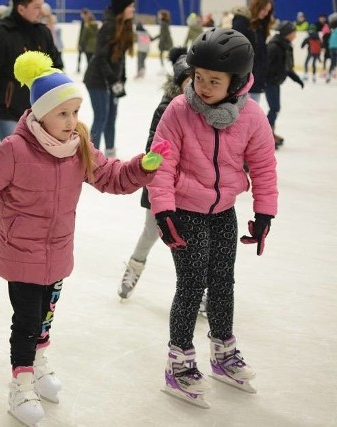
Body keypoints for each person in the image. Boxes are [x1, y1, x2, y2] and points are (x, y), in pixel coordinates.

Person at [0, 50, 170, 427]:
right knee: (25, 321)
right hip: (22, 252)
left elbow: (112, 177)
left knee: (45, 316)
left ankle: (37, 363)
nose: (72, 122)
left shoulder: (79, 147)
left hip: (58, 252)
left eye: (75, 112)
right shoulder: (15, 150)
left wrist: (142, 166)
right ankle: (20, 382)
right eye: (63, 113)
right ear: (40, 113)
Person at [147, 28, 278, 408]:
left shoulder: (251, 117)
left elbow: (264, 166)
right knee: (191, 282)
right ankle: (179, 362)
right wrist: (164, 209)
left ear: (237, 83)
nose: (202, 86)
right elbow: (162, 161)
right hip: (185, 209)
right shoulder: (178, 110)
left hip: (223, 212)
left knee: (222, 281)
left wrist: (265, 210)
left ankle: (223, 354)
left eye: (213, 81)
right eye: (198, 77)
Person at [119, 47, 191, 298]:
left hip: (192, 186)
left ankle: (199, 291)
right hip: (161, 182)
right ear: (179, 83)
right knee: (152, 231)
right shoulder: (166, 108)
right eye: (189, 82)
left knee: (193, 242)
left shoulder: (208, 107)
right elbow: (152, 144)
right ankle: (134, 267)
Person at [0, 0, 63, 142]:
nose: (42, 11)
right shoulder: (1, 36)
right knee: (18, 154)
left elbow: (57, 67)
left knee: (32, 157)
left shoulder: (43, 32)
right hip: (5, 110)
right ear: (21, 9)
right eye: (36, 7)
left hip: (36, 109)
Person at [83, 0, 135, 158]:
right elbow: (100, 57)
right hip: (97, 80)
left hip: (112, 80)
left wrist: (122, 78)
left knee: (111, 118)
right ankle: (91, 157)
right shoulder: (108, 26)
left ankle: (110, 153)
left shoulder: (124, 26)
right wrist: (113, 80)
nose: (133, 9)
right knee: (101, 118)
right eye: (130, 6)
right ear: (122, 8)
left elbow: (120, 57)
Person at [265, 21, 304, 150]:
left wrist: (297, 79)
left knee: (275, 108)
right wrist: (270, 77)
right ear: (287, 33)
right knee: (274, 108)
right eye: (294, 33)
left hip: (275, 81)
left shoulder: (285, 45)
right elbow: (267, 64)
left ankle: (269, 132)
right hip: (270, 81)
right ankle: (264, 135)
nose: (295, 35)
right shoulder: (275, 46)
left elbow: (287, 67)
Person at [232, 0, 274, 104]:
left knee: (252, 113)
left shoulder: (260, 24)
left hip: (256, 78)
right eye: (263, 9)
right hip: (242, 78)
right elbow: (234, 47)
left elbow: (261, 53)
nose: (266, 13)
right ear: (256, 7)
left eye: (268, 11)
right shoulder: (242, 21)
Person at [327, 13, 337, 83]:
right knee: (333, 62)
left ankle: (329, 75)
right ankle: (329, 75)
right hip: (333, 47)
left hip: (332, 47)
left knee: (333, 62)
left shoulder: (332, 30)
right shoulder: (332, 30)